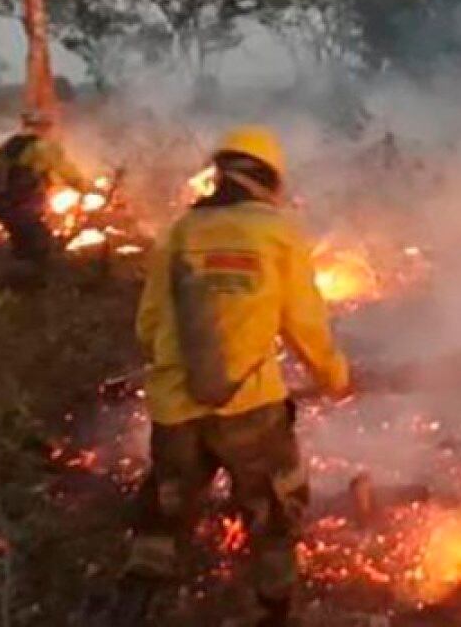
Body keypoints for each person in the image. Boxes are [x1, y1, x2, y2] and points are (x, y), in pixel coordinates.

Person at [112, 126, 352, 626]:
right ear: (268, 180)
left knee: (163, 516)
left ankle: (135, 608)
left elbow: (148, 322)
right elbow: (305, 324)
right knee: (272, 518)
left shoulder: (181, 231)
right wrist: (334, 378)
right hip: (251, 409)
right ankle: (272, 613)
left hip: (175, 411)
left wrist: (176, 374)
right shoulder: (278, 233)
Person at [0, 112, 89, 270]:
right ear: (44, 127)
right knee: (39, 245)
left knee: (21, 243)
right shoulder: (43, 147)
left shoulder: (8, 145)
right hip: (22, 205)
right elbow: (67, 171)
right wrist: (85, 188)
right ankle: (30, 285)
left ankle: (15, 284)